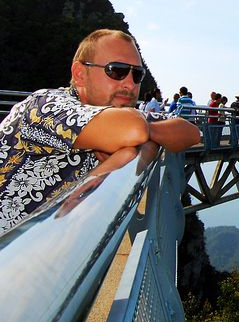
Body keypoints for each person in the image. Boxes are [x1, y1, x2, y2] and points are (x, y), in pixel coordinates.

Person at [0, 29, 200, 232]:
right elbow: (134, 130)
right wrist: (136, 139)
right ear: (79, 74)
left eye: (137, 74)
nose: (130, 83)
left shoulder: (122, 114)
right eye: (116, 70)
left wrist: (144, 132)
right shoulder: (43, 106)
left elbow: (190, 132)